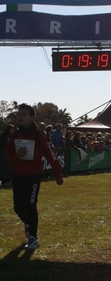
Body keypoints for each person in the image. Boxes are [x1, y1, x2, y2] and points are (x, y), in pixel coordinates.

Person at [5, 103, 64, 250]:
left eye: (24, 114)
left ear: (32, 117)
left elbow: (51, 155)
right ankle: (28, 223)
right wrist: (15, 156)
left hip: (33, 177)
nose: (20, 117)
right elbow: (8, 153)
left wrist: (57, 174)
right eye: (19, 114)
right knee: (18, 207)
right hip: (18, 175)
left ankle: (33, 237)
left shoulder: (38, 135)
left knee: (31, 205)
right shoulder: (15, 135)